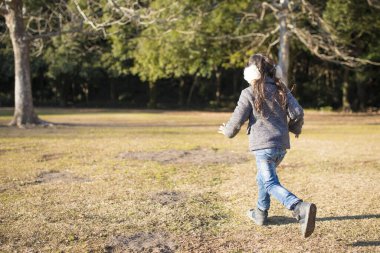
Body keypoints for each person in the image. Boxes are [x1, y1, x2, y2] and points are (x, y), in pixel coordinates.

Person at [218, 53, 317, 238]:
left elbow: (236, 120)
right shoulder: (282, 89)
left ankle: (298, 207)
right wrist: (294, 129)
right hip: (281, 146)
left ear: (251, 73)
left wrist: (227, 132)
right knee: (262, 179)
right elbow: (297, 112)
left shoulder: (248, 92)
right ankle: (261, 213)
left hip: (263, 147)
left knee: (270, 182)